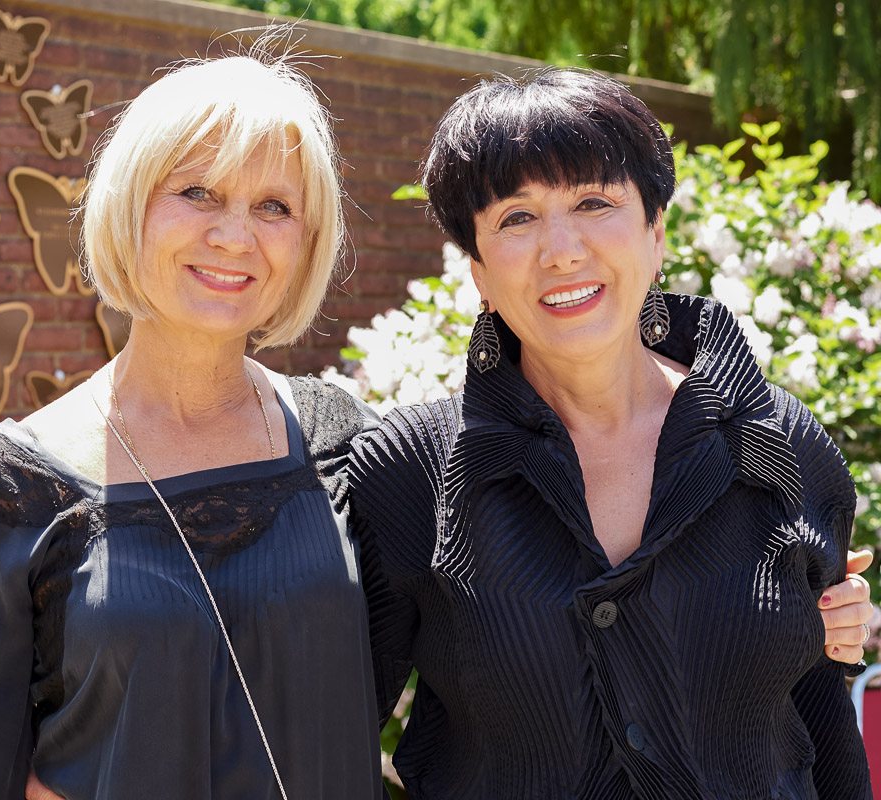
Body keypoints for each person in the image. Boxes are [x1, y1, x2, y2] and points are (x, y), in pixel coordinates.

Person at [351, 67, 874, 798]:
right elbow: (331, 741)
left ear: (656, 232)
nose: (561, 250)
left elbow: (821, 718)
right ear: (477, 269)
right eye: (516, 218)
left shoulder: (781, 444)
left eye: (594, 202)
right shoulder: (407, 473)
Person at [0, 52, 385, 799]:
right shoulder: (12, 485)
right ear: (129, 204)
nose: (236, 236)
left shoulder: (348, 444)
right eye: (198, 192)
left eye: (275, 206)